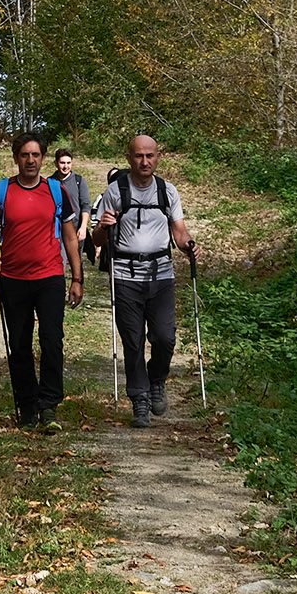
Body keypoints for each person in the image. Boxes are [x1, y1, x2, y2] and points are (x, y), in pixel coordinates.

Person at [0, 133, 84, 434]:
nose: (30, 160)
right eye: (25, 155)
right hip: (12, 278)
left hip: (50, 276)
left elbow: (69, 237)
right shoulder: (1, 191)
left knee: (52, 341)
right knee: (20, 345)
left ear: (43, 158)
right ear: (16, 158)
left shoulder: (55, 190)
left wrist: (77, 278)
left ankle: (49, 405)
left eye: (36, 155)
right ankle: (27, 406)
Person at [93, 134, 193, 428]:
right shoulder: (115, 191)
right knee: (133, 341)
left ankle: (157, 380)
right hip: (124, 275)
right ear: (129, 158)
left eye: (150, 156)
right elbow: (98, 239)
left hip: (161, 274)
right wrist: (103, 227)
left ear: (158, 157)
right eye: (139, 156)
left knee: (165, 337)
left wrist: (189, 246)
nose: (145, 161)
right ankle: (140, 400)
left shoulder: (168, 191)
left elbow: (180, 233)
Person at [54, 148, 94, 263]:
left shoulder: (79, 180)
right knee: (59, 264)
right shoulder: (50, 182)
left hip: (76, 230)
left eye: (68, 163)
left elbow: (85, 205)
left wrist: (83, 227)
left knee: (76, 265)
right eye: (62, 163)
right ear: (56, 163)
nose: (65, 166)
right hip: (57, 231)